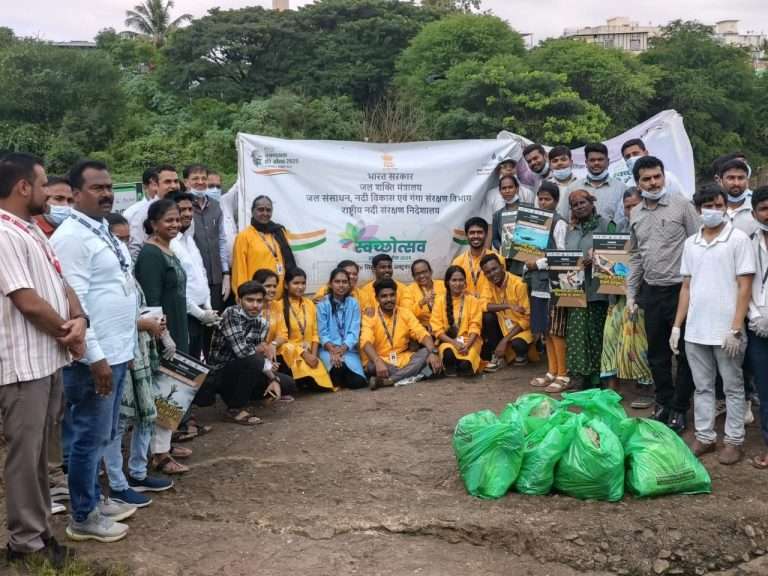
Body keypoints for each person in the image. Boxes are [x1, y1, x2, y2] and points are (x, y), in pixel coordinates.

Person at [0, 153, 86, 568]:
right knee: (24, 456)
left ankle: (38, 533)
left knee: (38, 456)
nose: (47, 193)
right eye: (41, 184)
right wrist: (67, 333)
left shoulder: (31, 229)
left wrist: (80, 319)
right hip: (21, 367)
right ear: (23, 188)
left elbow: (59, 282)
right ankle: (25, 543)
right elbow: (27, 301)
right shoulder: (3, 233)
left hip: (45, 361)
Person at [51, 159, 138, 543]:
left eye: (109, 186)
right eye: (97, 188)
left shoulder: (100, 228)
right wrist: (96, 357)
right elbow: (75, 305)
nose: (106, 193)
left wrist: (125, 348)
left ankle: (95, 499)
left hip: (117, 352)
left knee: (104, 434)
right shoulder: (70, 237)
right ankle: (83, 516)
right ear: (74, 194)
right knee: (88, 436)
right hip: (93, 359)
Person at [671, 184, 754, 464]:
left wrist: (735, 327)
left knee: (732, 386)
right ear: (698, 210)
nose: (714, 211)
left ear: (725, 206)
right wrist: (677, 326)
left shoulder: (738, 239)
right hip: (696, 329)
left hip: (726, 331)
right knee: (702, 386)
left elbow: (745, 286)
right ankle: (705, 436)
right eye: (708, 206)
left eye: (719, 205)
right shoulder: (691, 243)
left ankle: (734, 440)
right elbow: (686, 286)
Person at [101, 214, 175, 508]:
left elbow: (139, 308)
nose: (122, 245)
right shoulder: (103, 277)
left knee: (147, 415)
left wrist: (154, 325)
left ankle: (138, 472)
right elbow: (105, 319)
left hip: (142, 355)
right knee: (118, 423)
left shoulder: (126, 273)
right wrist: (141, 324)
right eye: (116, 239)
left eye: (125, 240)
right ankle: (118, 483)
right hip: (119, 357)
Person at [627, 155, 700, 432]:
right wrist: (631, 294)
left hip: (682, 293)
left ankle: (680, 409)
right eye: (647, 179)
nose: (653, 182)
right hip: (652, 293)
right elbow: (634, 256)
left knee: (683, 353)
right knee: (657, 354)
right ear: (638, 183)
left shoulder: (683, 207)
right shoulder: (636, 214)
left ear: (663, 176)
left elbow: (698, 246)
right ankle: (663, 403)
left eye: (657, 176)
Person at [208, 281, 296, 424]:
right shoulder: (231, 314)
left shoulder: (262, 323)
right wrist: (262, 356)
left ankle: (250, 396)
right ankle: (234, 409)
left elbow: (257, 356)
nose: (255, 305)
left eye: (259, 301)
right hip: (221, 373)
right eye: (250, 300)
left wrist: (273, 378)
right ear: (239, 300)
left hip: (247, 368)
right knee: (254, 360)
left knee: (288, 383)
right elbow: (243, 352)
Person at [599, 188, 653, 405]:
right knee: (610, 337)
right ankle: (612, 387)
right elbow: (610, 263)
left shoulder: (650, 228)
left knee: (637, 341)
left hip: (641, 296)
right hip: (617, 297)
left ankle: (645, 387)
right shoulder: (619, 230)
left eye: (635, 205)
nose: (631, 210)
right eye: (627, 206)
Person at [558, 189, 610, 391]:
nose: (579, 207)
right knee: (577, 335)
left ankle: (601, 377)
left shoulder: (605, 225)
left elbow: (618, 253)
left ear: (592, 202)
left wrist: (597, 258)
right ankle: (580, 377)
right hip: (574, 292)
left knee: (597, 333)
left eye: (583, 202)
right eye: (575, 204)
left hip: (599, 289)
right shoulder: (571, 230)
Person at [525, 183, 569, 389]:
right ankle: (551, 371)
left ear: (556, 201)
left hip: (553, 284)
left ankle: (563, 374)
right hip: (537, 283)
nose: (543, 203)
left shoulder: (559, 223)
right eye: (540, 199)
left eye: (547, 199)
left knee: (556, 329)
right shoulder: (533, 224)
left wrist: (538, 264)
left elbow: (562, 255)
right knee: (545, 330)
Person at [361, 278, 442, 389]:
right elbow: (366, 342)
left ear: (396, 296)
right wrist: (377, 361)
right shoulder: (370, 317)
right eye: (384, 296)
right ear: (377, 298)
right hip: (382, 361)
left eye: (392, 295)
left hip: (404, 358)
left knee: (426, 353)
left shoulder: (405, 313)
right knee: (371, 367)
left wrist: (433, 353)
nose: (389, 299)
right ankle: (419, 375)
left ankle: (389, 381)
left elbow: (422, 334)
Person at [134, 199, 188, 355]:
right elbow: (152, 299)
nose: (175, 224)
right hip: (164, 330)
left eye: (177, 220)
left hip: (179, 322)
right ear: (154, 224)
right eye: (169, 220)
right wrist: (165, 335)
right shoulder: (151, 254)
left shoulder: (168, 249)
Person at [170, 192, 219, 360]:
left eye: (190, 209)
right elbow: (177, 288)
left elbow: (201, 275)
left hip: (201, 315)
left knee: (200, 362)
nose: (187, 214)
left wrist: (208, 307)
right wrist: (200, 314)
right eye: (181, 209)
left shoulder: (188, 240)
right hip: (186, 316)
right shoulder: (170, 244)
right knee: (188, 363)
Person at [278, 267, 333, 390]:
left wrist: (313, 355)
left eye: (303, 283)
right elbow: (283, 338)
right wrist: (304, 355)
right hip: (291, 353)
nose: (300, 287)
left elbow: (315, 333)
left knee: (323, 386)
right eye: (296, 283)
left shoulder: (309, 304)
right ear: (286, 285)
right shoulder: (279, 306)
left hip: (309, 352)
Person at [184, 163, 231, 309]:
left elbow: (221, 240)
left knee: (215, 322)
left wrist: (226, 273)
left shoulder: (216, 206)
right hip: (193, 279)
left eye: (203, 178)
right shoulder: (182, 207)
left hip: (216, 277)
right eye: (195, 178)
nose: (200, 182)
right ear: (186, 182)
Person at [231, 195, 297, 297]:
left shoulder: (277, 232)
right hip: (256, 299)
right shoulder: (244, 236)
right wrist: (242, 296)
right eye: (260, 210)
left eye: (268, 210)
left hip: (279, 298)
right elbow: (239, 272)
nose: (265, 213)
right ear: (253, 211)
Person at [746, 186, 768, 469]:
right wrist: (754, 316)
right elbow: (743, 284)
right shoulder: (747, 243)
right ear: (754, 213)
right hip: (757, 327)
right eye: (764, 208)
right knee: (765, 387)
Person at [316, 268, 367, 389]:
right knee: (337, 369)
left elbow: (354, 331)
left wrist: (343, 348)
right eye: (337, 281)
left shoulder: (353, 303)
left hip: (348, 350)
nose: (341, 285)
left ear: (349, 284)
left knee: (358, 383)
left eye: (344, 282)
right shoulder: (323, 304)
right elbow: (322, 332)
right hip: (328, 350)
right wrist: (333, 350)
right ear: (330, 284)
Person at [479, 254, 533, 368]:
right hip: (503, 327)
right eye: (488, 272)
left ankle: (522, 354)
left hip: (521, 329)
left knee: (518, 344)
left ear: (502, 267)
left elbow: (527, 319)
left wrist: (505, 340)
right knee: (487, 317)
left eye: (494, 269)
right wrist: (507, 306)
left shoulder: (519, 284)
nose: (492, 274)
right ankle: (498, 356)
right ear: (484, 275)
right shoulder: (488, 283)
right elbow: (483, 305)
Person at [430, 266, 483, 376]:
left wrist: (467, 345)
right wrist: (454, 343)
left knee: (466, 367)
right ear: (447, 282)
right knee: (448, 354)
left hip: (470, 341)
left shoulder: (473, 300)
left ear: (465, 281)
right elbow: (437, 330)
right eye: (454, 280)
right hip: (449, 341)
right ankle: (451, 365)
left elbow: (475, 326)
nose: (457, 284)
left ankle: (460, 364)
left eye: (460, 280)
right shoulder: (439, 301)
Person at [125, 165, 180, 258]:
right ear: (156, 185)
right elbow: (136, 250)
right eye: (167, 182)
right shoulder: (143, 213)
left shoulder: (182, 208)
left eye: (176, 181)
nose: (173, 186)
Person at [566, 142, 626, 227]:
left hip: (608, 238)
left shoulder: (621, 189)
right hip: (579, 238)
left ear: (608, 162)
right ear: (586, 163)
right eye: (592, 160)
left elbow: (622, 221)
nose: (596, 163)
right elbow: (566, 218)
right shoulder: (573, 188)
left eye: (600, 159)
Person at [452, 217, 505, 299]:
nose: (476, 236)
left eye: (479, 232)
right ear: (466, 235)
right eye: (472, 233)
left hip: (491, 308)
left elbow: (502, 288)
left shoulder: (498, 259)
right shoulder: (457, 262)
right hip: (467, 308)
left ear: (486, 235)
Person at [620, 138, 688, 199]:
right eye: (628, 156)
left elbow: (683, 203)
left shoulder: (668, 178)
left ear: (646, 153)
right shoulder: (628, 186)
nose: (631, 158)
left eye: (635, 154)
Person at [718, 158, 758, 236]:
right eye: (731, 178)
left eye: (741, 178)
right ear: (720, 180)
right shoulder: (711, 208)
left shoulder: (758, 207)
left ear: (747, 180)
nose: (736, 183)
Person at [406, 259, 446, 331]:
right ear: (413, 276)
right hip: (423, 328)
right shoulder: (408, 290)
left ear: (431, 272)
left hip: (444, 326)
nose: (422, 276)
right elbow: (407, 314)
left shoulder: (443, 285)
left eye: (424, 272)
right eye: (417, 274)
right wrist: (421, 303)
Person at [491, 175, 522, 252]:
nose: (507, 191)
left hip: (527, 259)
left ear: (517, 189)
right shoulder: (497, 215)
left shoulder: (528, 210)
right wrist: (501, 247)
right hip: (507, 260)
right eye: (504, 188)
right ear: (500, 191)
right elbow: (495, 239)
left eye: (510, 187)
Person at [548, 145, 577, 219]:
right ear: (550, 165)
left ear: (571, 162)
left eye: (563, 159)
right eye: (555, 161)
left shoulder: (581, 184)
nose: (559, 163)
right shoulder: (545, 187)